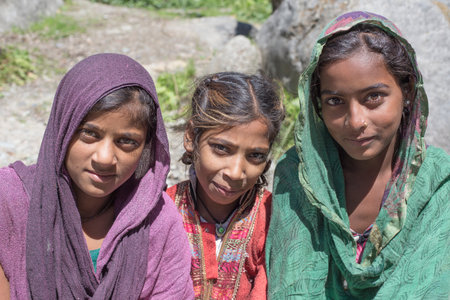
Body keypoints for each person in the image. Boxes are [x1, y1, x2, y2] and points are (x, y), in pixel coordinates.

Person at [266, 11, 450, 299]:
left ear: (408, 93)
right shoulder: (298, 176)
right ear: (318, 105)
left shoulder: (439, 182)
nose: (355, 120)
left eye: (373, 97)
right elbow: (292, 285)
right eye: (335, 101)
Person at [0, 53, 194, 299]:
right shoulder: (8, 201)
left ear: (145, 147)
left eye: (126, 141)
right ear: (63, 128)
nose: (104, 158)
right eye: (89, 134)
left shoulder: (157, 220)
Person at [166, 72, 285, 299]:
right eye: (221, 148)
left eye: (256, 155)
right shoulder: (165, 211)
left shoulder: (272, 217)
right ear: (191, 136)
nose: (235, 172)